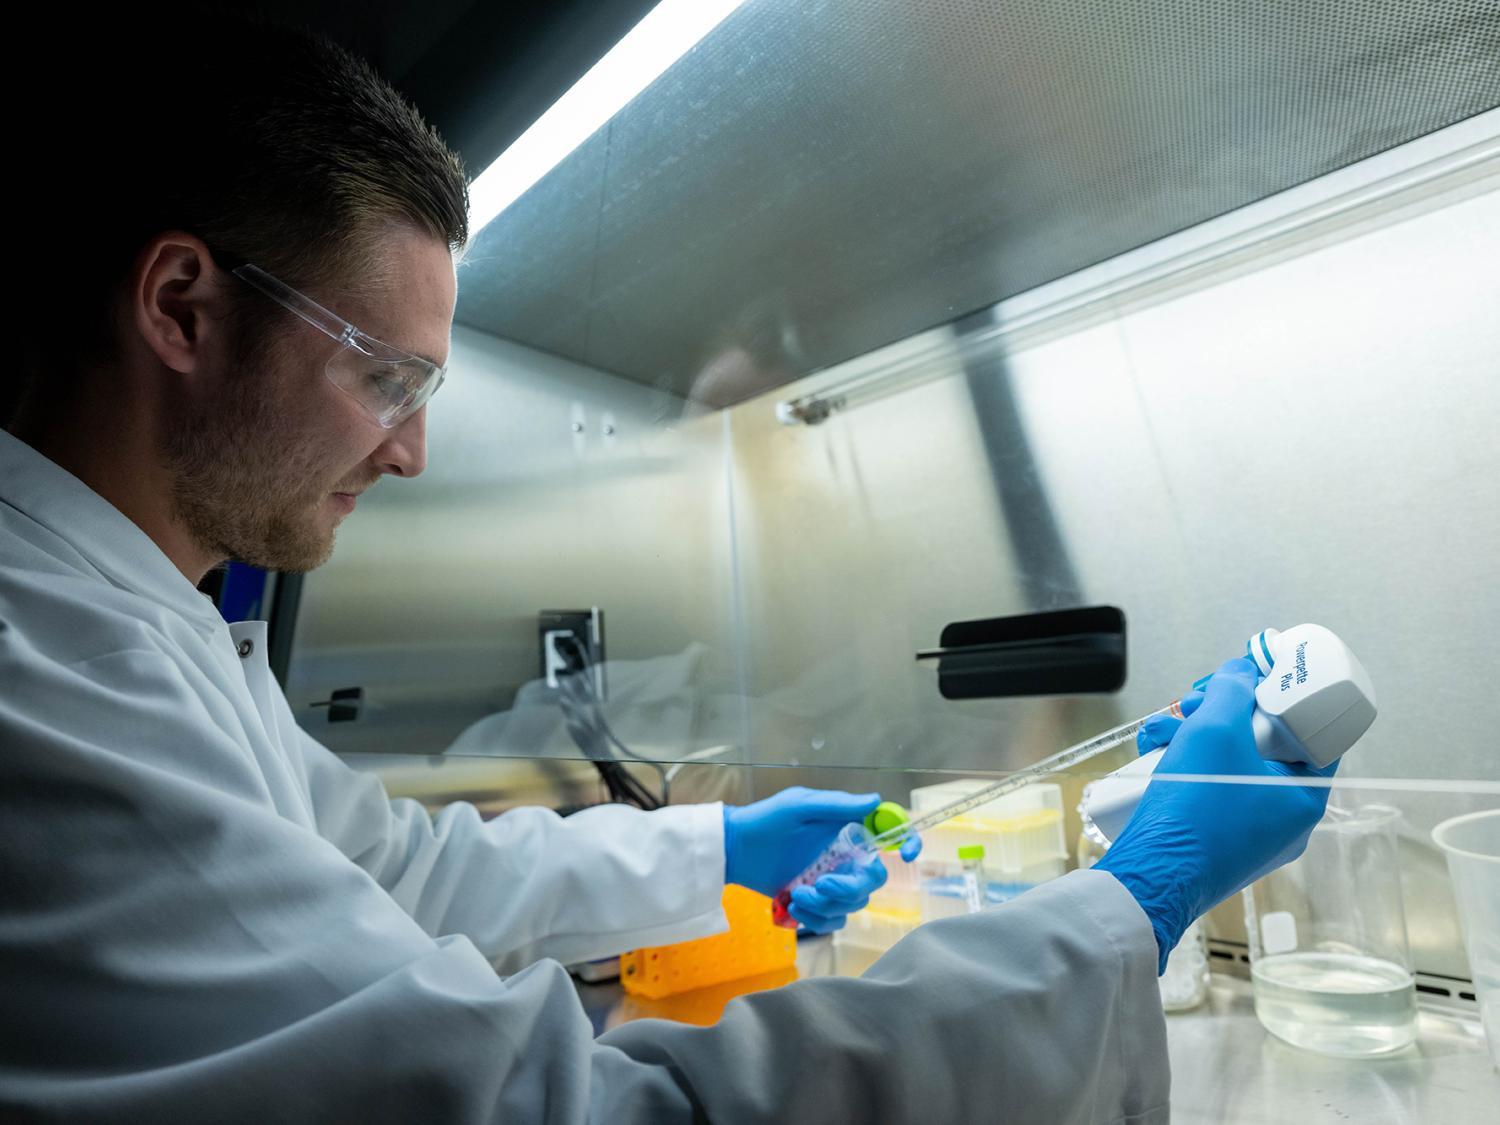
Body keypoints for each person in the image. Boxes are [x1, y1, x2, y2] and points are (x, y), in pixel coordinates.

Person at [0, 13, 1334, 1123]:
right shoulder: (54, 681)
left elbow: (398, 867)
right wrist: (1134, 902)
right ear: (181, 306)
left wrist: (715, 855)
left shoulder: (136, 623)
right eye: (382, 378)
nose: (408, 451)